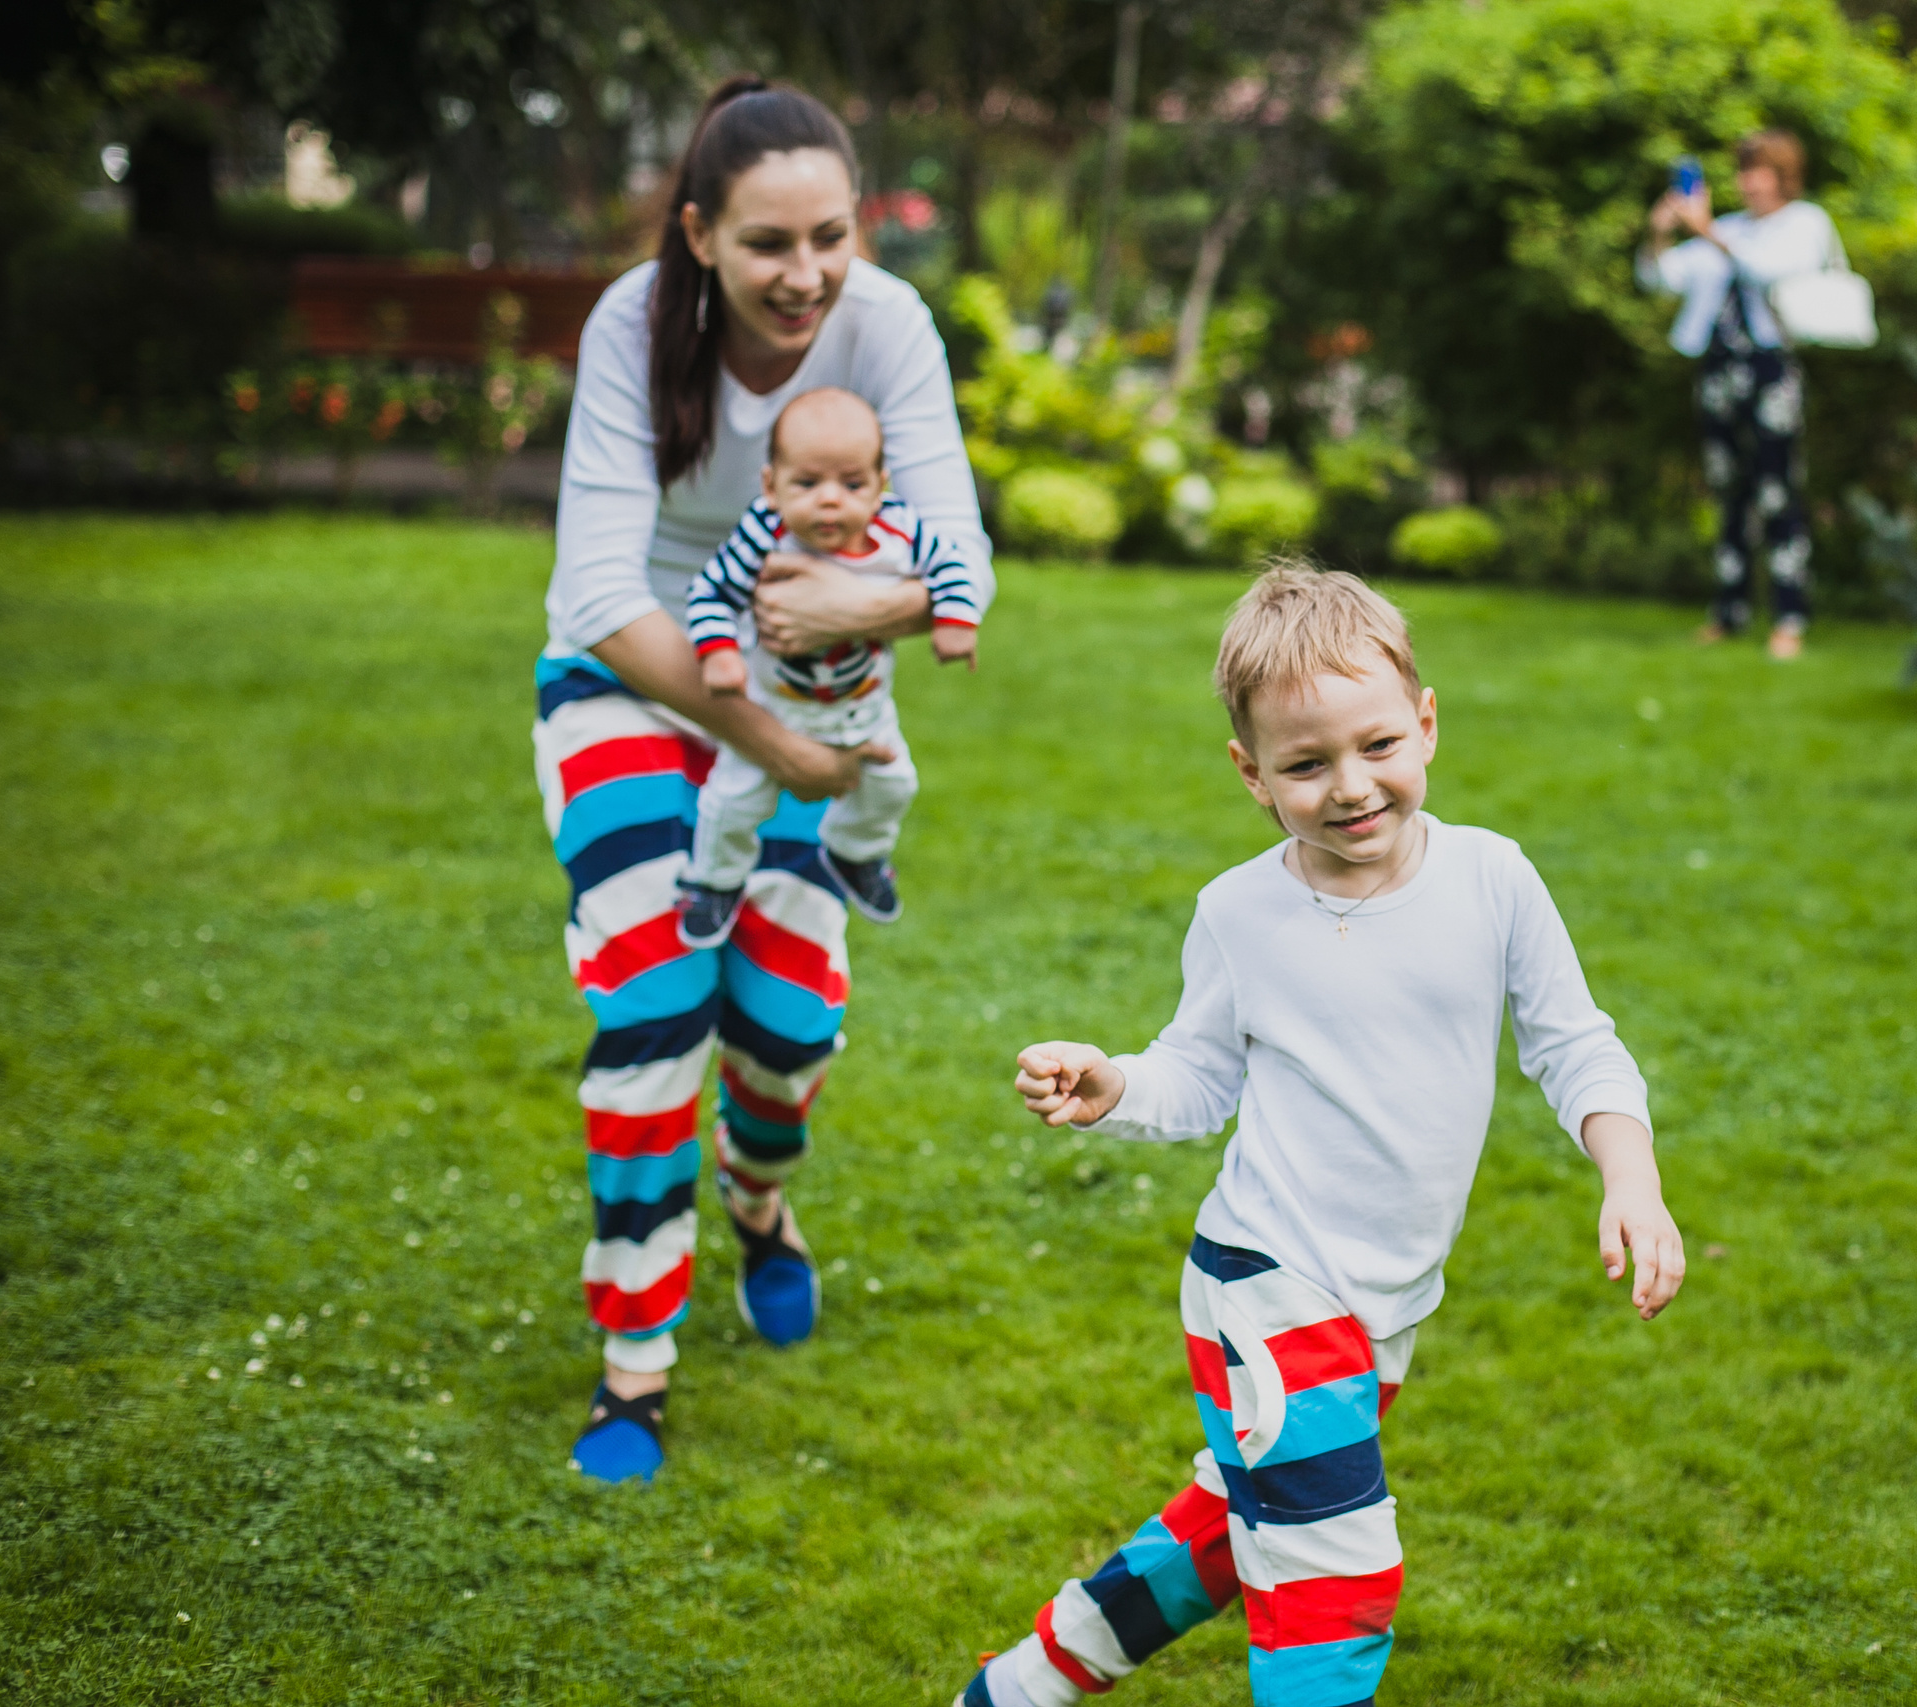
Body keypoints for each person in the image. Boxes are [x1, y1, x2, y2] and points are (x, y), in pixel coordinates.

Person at [958, 563, 1687, 1707]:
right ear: (1252, 774)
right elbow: (1199, 1074)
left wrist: (1630, 1182)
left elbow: (1574, 1045)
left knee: (1223, 1539)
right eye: (1306, 765)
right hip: (1265, 1285)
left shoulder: (1492, 880)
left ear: (1427, 722)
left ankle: (1018, 1689)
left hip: (1380, 1303)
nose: (1351, 787)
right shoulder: (1239, 913)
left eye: (1378, 746)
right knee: (1337, 1576)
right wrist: (1114, 1083)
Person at [535, 74, 993, 1483]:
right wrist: (777, 747)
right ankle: (635, 1359)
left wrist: (853, 618)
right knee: (653, 994)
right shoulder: (633, 326)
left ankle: (759, 1191)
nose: (804, 277)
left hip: (811, 688)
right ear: (698, 236)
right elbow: (603, 589)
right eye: (766, 245)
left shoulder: (890, 325)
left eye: (830, 238)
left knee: (786, 1026)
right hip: (630, 679)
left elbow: (954, 550)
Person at [678, 386, 982, 939]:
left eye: (852, 484)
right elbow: (709, 593)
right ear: (771, 486)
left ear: (880, 485)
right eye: (807, 483)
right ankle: (714, 881)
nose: (830, 501)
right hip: (772, 709)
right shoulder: (762, 535)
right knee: (730, 803)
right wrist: (718, 651)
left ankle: (854, 851)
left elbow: (954, 568)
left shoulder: (900, 529)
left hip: (865, 713)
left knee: (895, 787)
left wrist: (956, 621)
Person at [1640, 129, 1849, 660]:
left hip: (1770, 370)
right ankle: (1728, 612)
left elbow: (1767, 271)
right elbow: (1661, 279)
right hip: (1718, 372)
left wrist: (1705, 230)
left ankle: (1789, 617)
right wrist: (1660, 234)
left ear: (1783, 175)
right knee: (1729, 493)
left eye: (1759, 170)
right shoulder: (1728, 227)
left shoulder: (1804, 223)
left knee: (1778, 492)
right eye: (1744, 170)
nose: (1748, 181)